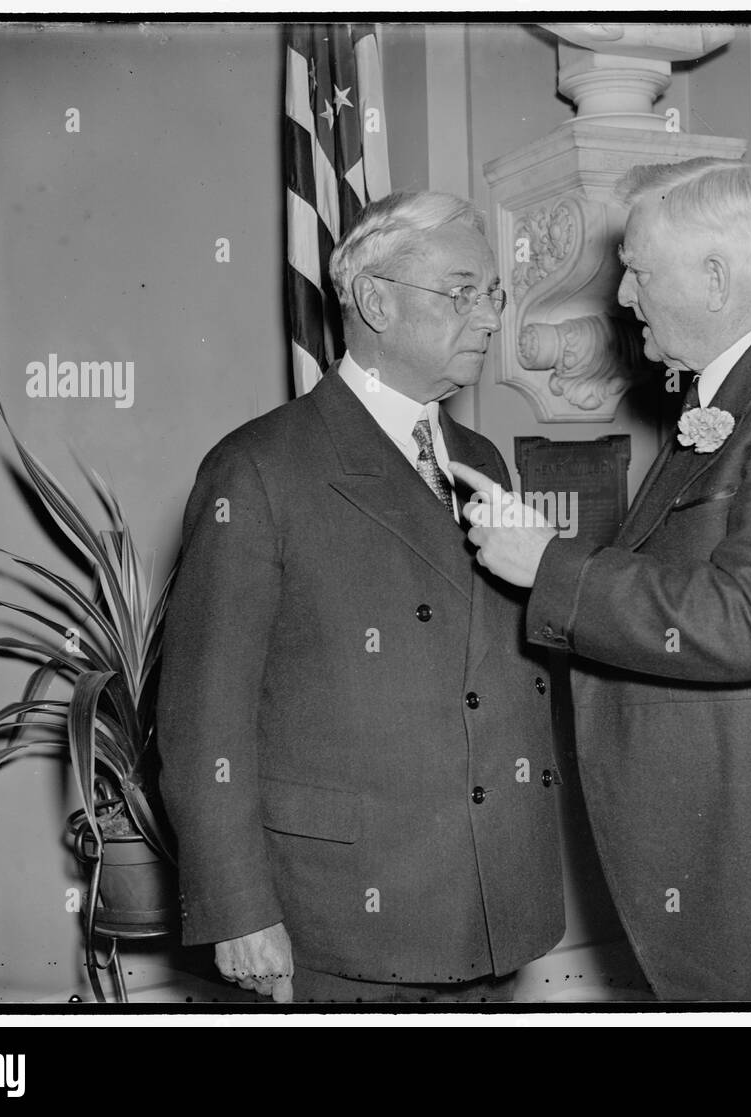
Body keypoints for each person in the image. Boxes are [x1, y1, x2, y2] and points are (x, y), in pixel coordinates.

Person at [453, 158, 751, 1001]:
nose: (622, 295)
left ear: (716, 279)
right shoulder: (745, 397)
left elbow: (744, 621)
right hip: (725, 858)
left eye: (638, 270)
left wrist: (547, 564)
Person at [157, 191, 565, 1003]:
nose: (489, 318)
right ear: (375, 300)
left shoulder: (482, 456)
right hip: (345, 918)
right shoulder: (259, 469)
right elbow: (205, 714)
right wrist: (239, 909)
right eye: (463, 292)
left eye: (493, 294)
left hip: (491, 903)